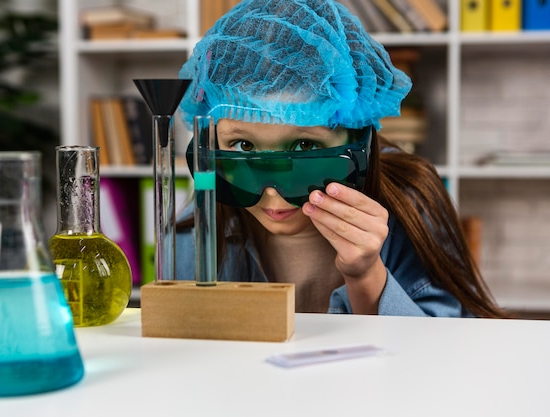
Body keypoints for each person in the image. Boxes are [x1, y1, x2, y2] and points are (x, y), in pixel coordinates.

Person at [174, 0, 505, 317]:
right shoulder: (203, 216)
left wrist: (366, 276)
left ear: (357, 139)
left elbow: (443, 352)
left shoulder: (410, 201)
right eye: (244, 146)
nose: (272, 193)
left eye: (304, 147)